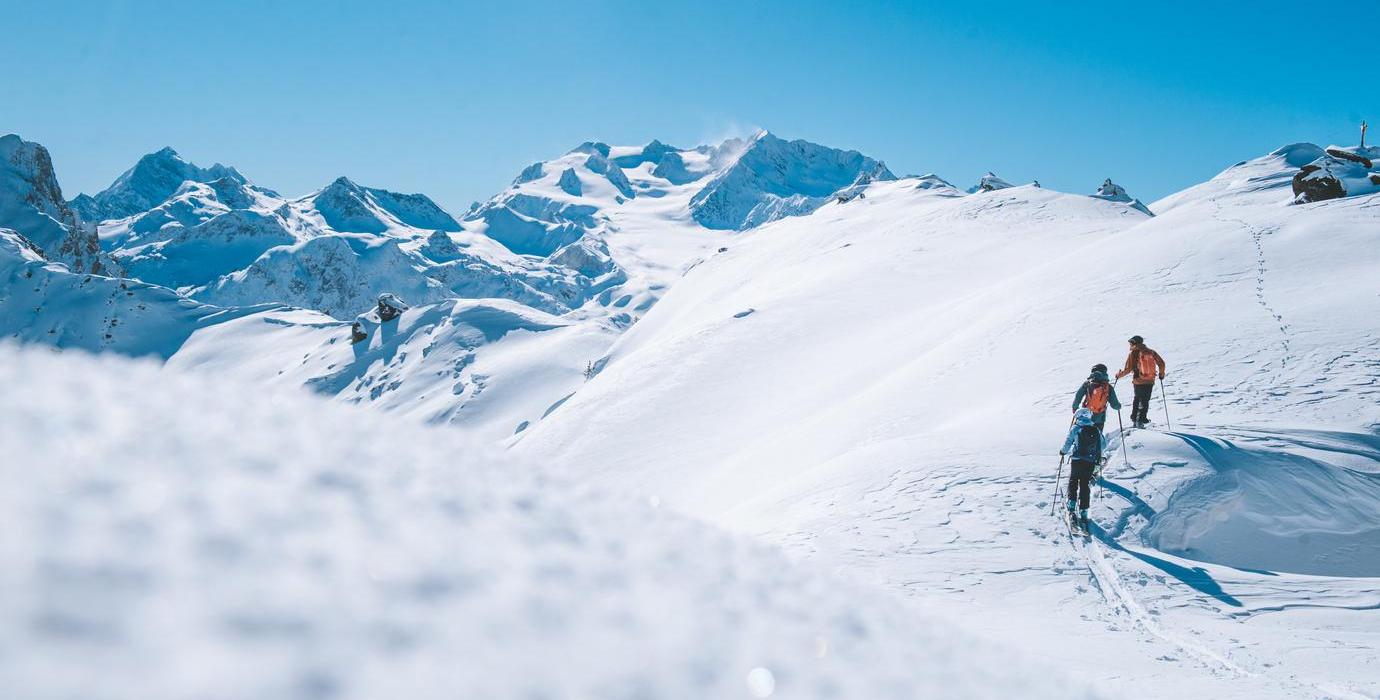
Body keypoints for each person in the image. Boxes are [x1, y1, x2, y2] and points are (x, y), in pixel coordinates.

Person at [1060, 408, 1106, 524]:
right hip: (1089, 461)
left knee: (1073, 480)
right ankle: (1084, 510)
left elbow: (1068, 442)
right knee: (1085, 484)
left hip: (1077, 460)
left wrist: (1063, 452)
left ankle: (1071, 503)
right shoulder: (1095, 429)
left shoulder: (1076, 428)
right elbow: (1103, 444)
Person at [1115, 335, 1166, 429]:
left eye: (1130, 343)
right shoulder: (1151, 352)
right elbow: (1161, 364)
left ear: (1134, 343)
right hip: (1150, 380)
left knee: (1137, 399)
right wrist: (1161, 374)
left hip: (1138, 380)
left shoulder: (1133, 353)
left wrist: (1119, 375)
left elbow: (1128, 368)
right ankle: (1142, 419)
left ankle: (1135, 420)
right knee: (1145, 400)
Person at [1071, 364, 1121, 431]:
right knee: (1097, 436)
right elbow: (1115, 405)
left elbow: (1078, 396)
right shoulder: (1107, 386)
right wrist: (1118, 406)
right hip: (1100, 417)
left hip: (1086, 415)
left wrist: (1075, 408)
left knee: (1083, 435)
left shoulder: (1087, 384)